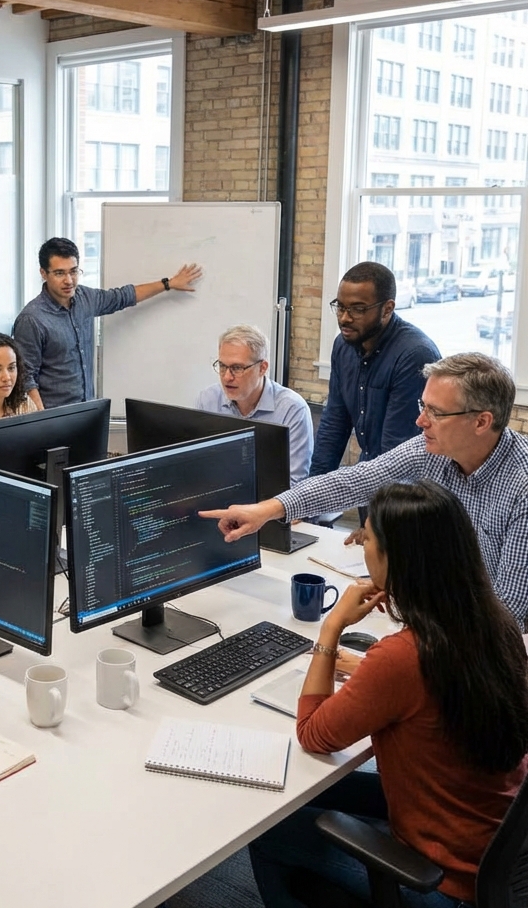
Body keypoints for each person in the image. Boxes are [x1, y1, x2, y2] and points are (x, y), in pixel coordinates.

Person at [248, 481, 528, 907]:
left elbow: (313, 733)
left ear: (395, 558)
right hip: (490, 845)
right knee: (297, 798)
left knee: (267, 828)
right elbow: (437, 691)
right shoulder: (494, 624)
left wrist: (332, 626)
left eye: (368, 539)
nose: (363, 549)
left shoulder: (401, 658)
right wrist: (370, 674)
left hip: (442, 883)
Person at [199, 352, 528, 628]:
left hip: (493, 648)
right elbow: (355, 482)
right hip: (442, 621)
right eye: (422, 406)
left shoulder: (522, 485)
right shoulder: (434, 449)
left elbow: (509, 608)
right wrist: (268, 510)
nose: (420, 421)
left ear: (482, 422)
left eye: (436, 413)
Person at [12, 237, 203, 409]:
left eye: (73, 271)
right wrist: (42, 419)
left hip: (88, 411)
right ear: (43, 273)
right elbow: (25, 377)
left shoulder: (85, 298)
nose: (69, 280)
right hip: (54, 416)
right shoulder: (32, 319)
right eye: (60, 273)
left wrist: (168, 283)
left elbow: (123, 296)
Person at [311, 261, 440, 477]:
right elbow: (334, 423)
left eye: (358, 309)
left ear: (387, 309)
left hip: (407, 492)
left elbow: (397, 453)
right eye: (340, 306)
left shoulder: (414, 354)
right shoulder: (343, 346)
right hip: (370, 473)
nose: (344, 318)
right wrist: (309, 499)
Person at [195, 324, 313, 485]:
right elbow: (200, 465)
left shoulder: (292, 409)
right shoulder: (208, 400)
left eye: (237, 368)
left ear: (262, 368)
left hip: (268, 504)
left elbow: (294, 482)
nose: (227, 377)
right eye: (222, 366)